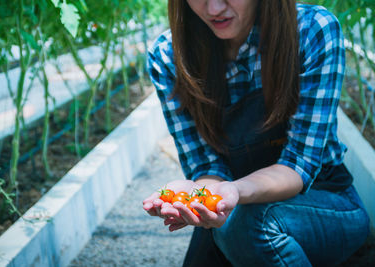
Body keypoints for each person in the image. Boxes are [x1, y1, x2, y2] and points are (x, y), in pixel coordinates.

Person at [143, 0, 370, 266]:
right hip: (234, 204)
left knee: (249, 226)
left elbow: (299, 163)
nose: (214, 8)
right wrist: (199, 196)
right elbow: (206, 165)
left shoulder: (310, 31)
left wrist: (235, 191)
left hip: (325, 200)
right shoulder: (169, 55)